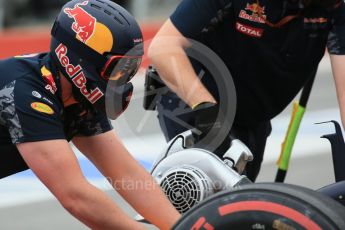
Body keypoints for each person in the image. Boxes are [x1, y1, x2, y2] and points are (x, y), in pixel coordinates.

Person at [0, 0, 180, 229]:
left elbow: (127, 174)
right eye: (118, 70)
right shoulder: (27, 93)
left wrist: (184, 226)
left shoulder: (76, 96)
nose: (123, 81)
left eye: (129, 71)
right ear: (78, 60)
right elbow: (76, 197)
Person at [148, 0, 345, 181]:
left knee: (240, 199)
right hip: (194, 98)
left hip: (252, 112)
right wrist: (207, 110)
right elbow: (163, 46)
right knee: (203, 194)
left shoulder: (335, 8)